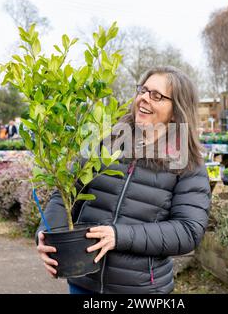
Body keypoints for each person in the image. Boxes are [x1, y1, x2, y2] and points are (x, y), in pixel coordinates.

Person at [36, 66, 211, 294]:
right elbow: (66, 193)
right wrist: (48, 235)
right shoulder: (106, 142)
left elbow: (188, 231)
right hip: (83, 283)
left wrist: (119, 236)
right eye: (143, 90)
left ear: (176, 111)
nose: (144, 99)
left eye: (156, 95)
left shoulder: (187, 163)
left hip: (141, 289)